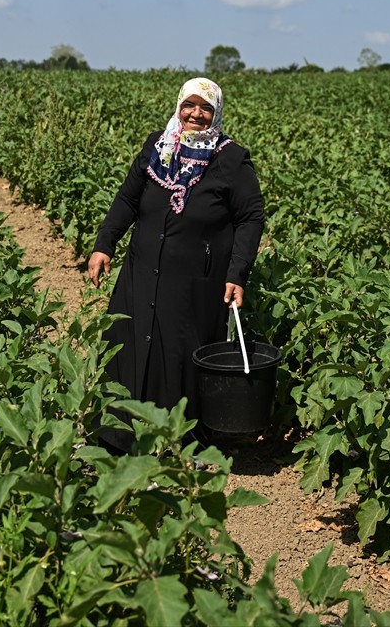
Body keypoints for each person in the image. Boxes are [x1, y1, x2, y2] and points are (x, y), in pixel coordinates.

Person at [87, 77, 265, 451]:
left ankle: (179, 444)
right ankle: (117, 438)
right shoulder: (158, 146)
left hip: (194, 283)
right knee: (130, 347)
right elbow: (128, 199)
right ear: (179, 106)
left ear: (216, 113)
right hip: (141, 272)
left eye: (206, 108)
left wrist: (237, 273)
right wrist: (105, 243)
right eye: (190, 105)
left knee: (181, 357)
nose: (195, 114)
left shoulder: (230, 158)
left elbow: (251, 217)